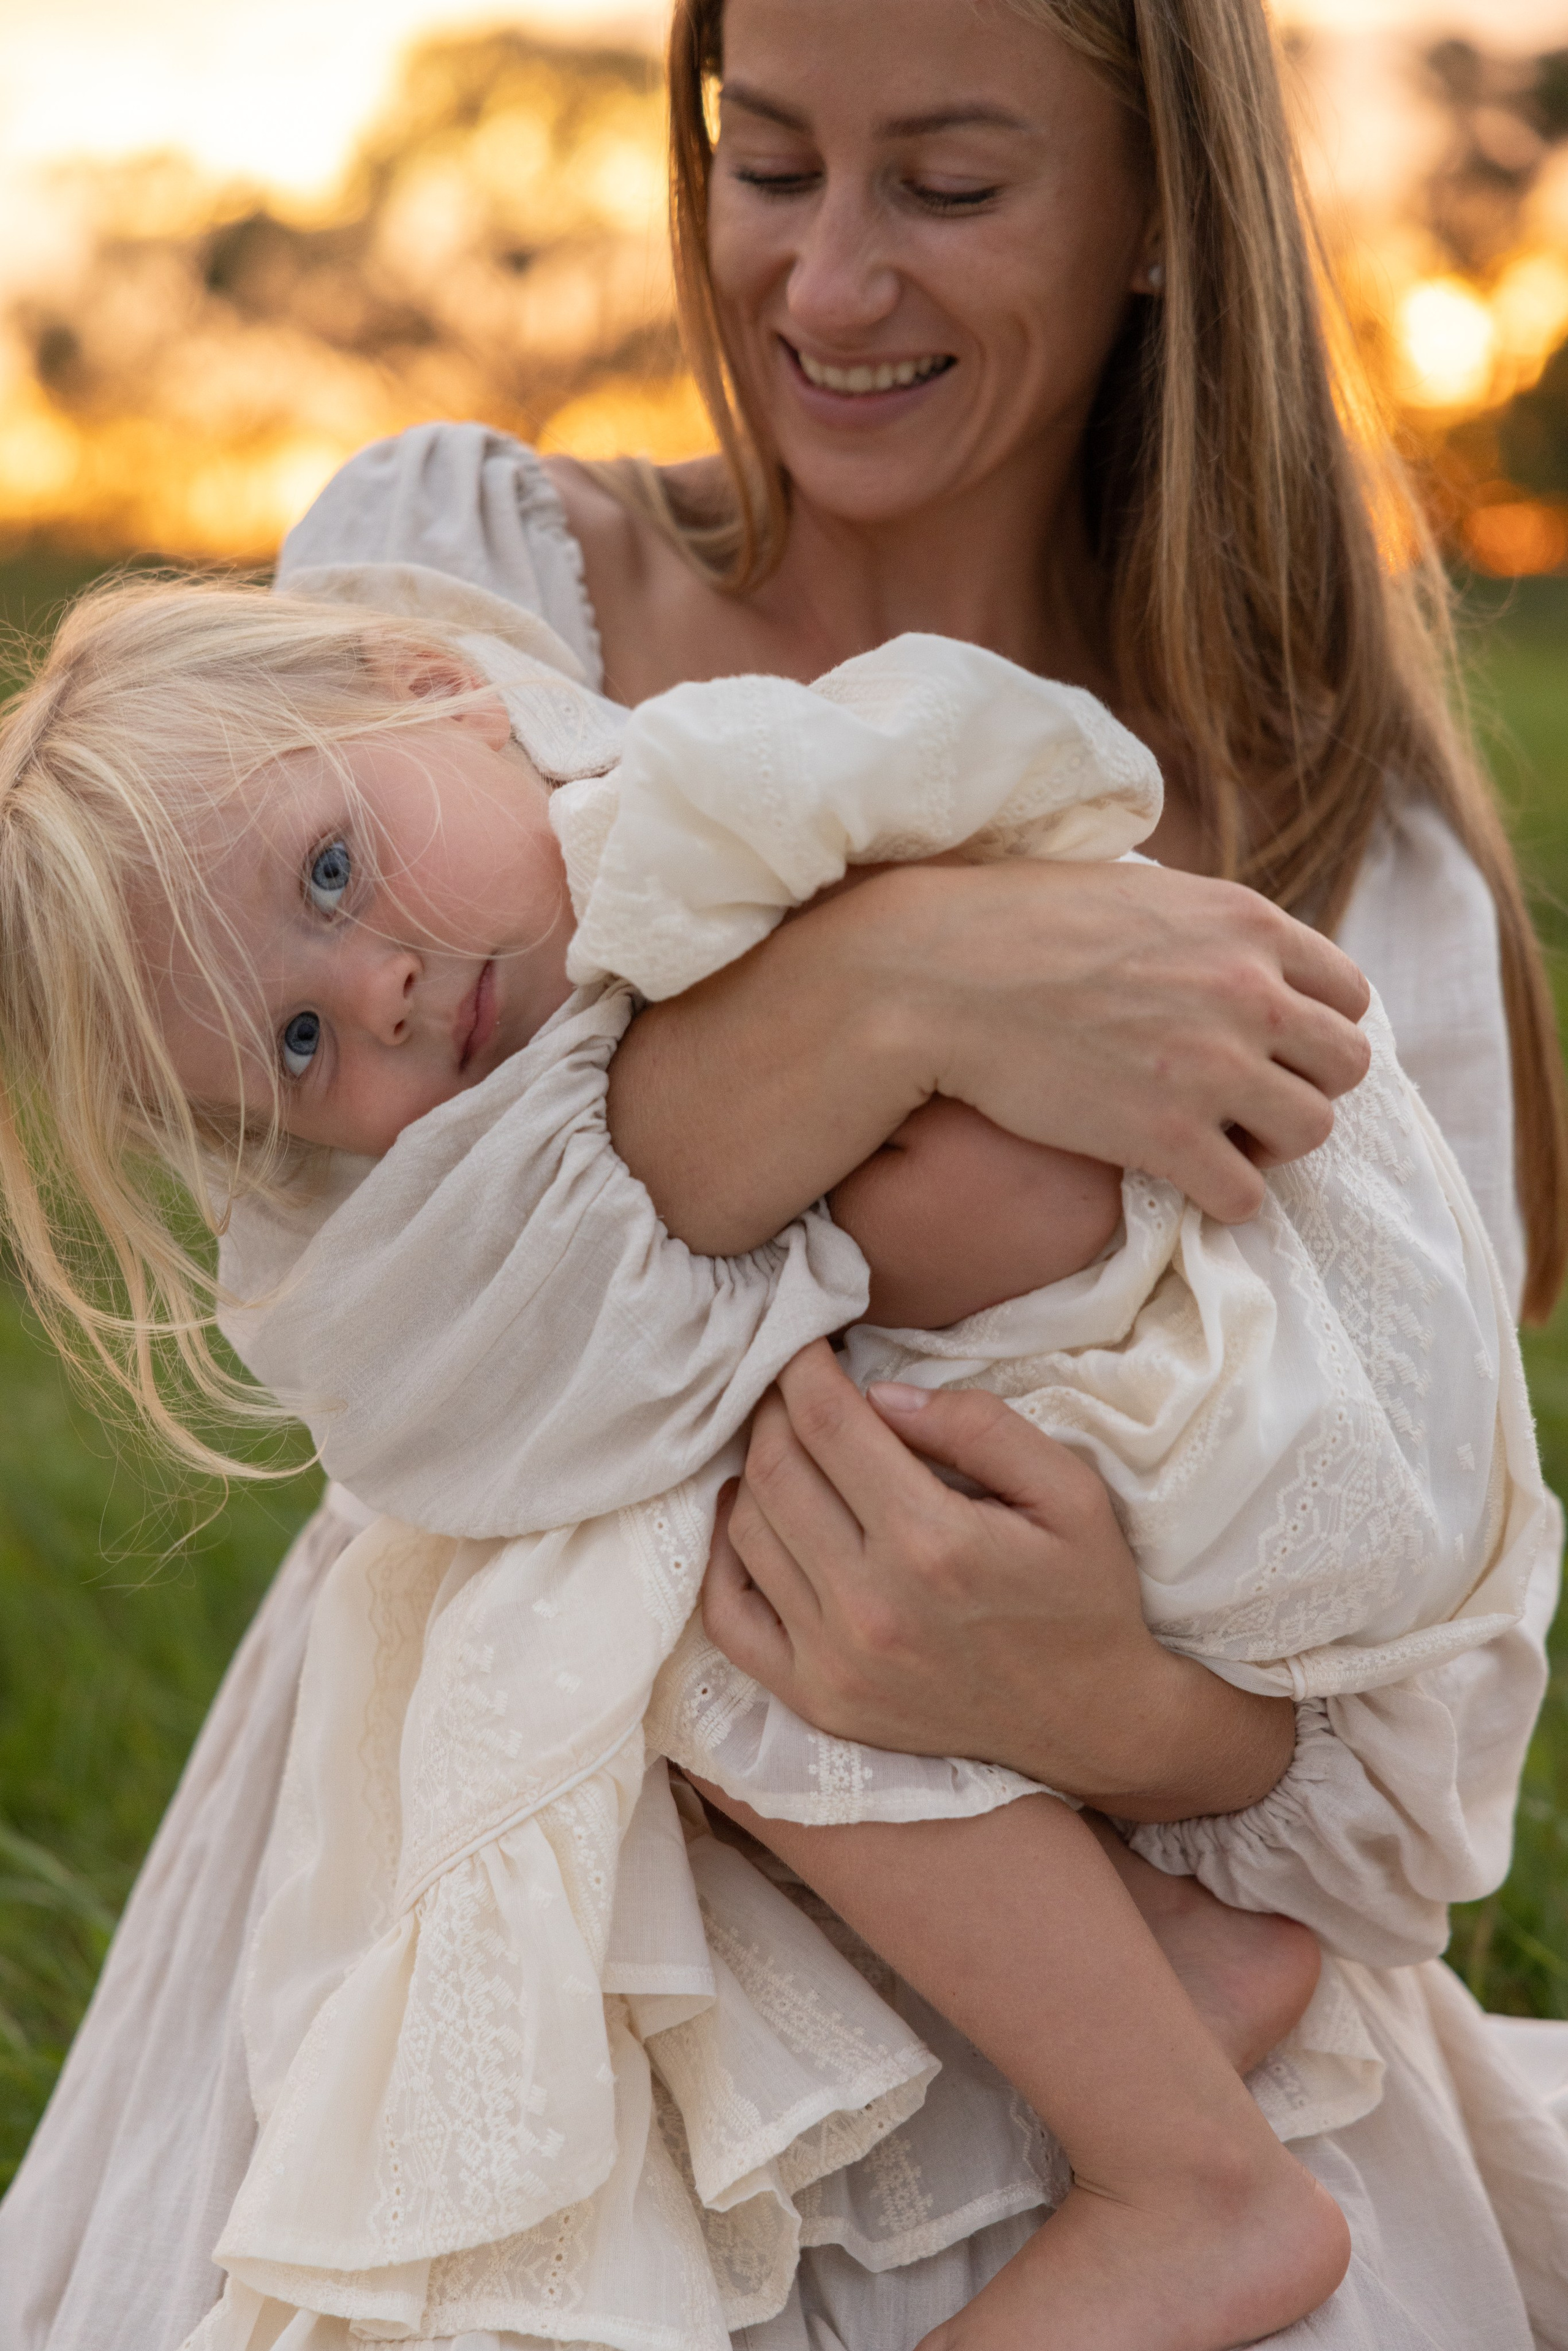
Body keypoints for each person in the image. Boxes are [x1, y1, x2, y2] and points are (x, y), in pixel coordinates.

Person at [3, 1, 1566, 2345]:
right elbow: (433, 1338)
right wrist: (909, 985)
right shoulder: (454, 594)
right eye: (766, 165)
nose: (826, 289)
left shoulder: (1368, 867)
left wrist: (1108, 1698)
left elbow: (1414, 1722)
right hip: (504, 1910)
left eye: (948, 187)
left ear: (1166, 222)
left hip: (1139, 1999)